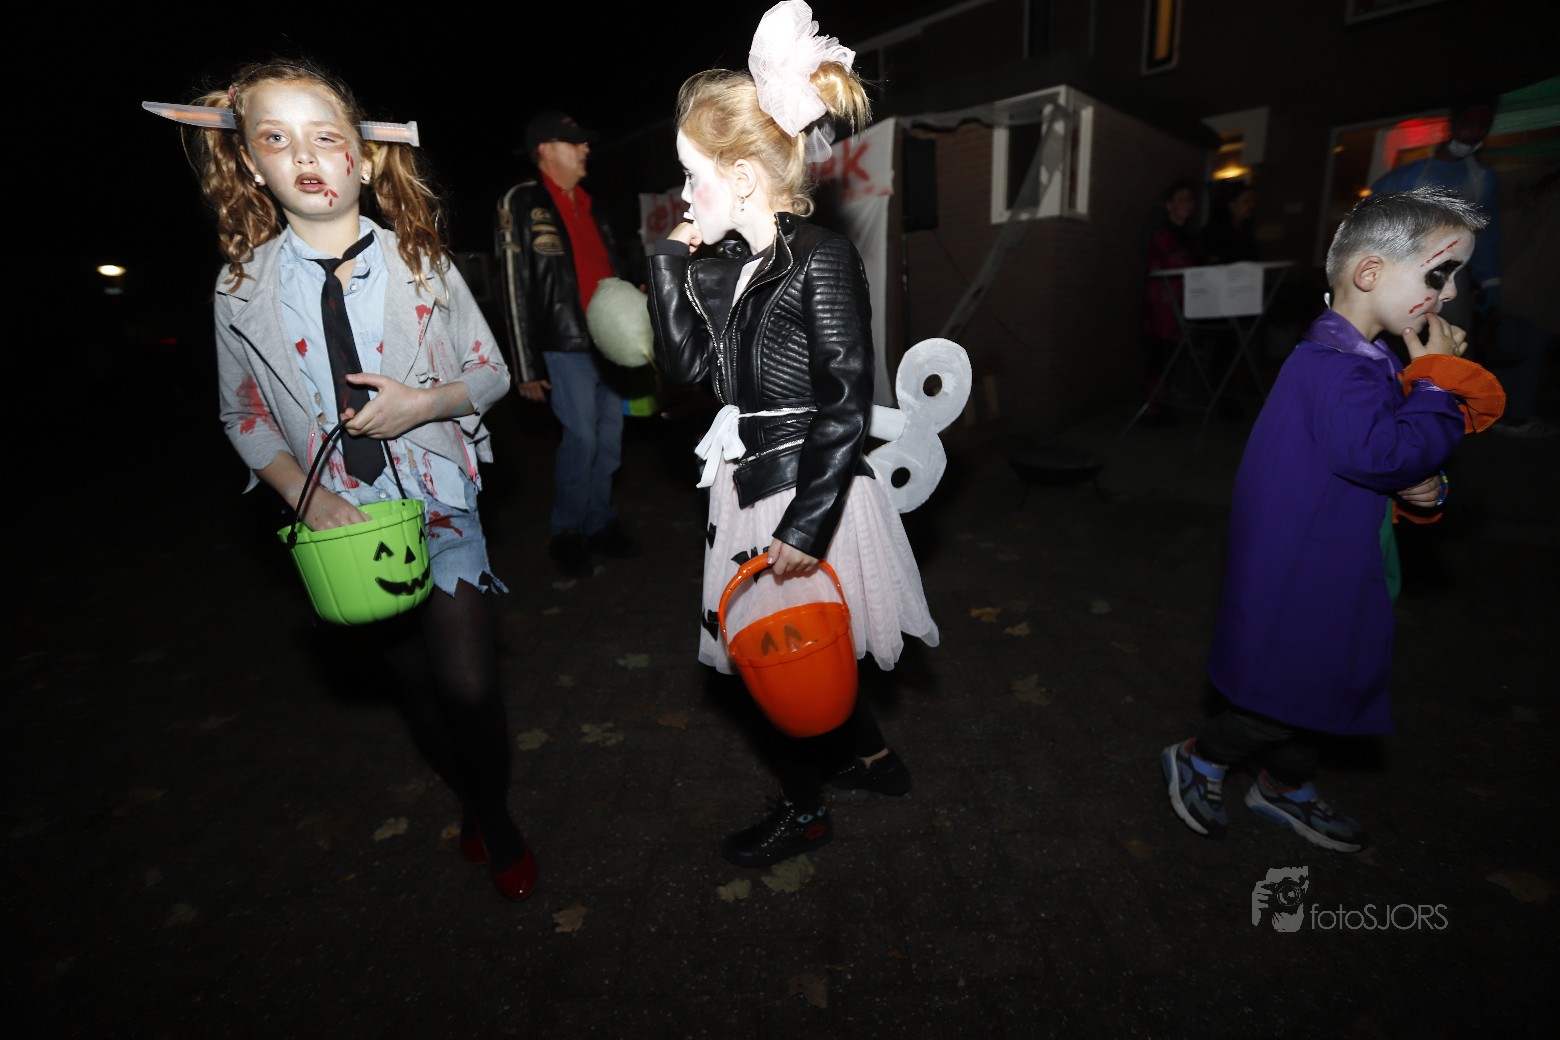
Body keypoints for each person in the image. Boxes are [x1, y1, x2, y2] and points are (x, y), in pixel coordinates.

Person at [159, 59, 537, 901]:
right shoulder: (240, 287)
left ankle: (495, 815)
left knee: (469, 686)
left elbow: (489, 374)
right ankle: (472, 800)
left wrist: (421, 404)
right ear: (250, 163)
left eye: (325, 137)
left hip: (440, 502)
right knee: (415, 690)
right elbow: (242, 416)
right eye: (276, 138)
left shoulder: (423, 261)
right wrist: (310, 496)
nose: (305, 156)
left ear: (361, 158)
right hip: (345, 526)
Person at [645, 0, 939, 869]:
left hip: (807, 494)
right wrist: (666, 263)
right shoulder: (719, 270)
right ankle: (875, 761)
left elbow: (847, 401)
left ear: (741, 176)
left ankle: (805, 810)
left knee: (772, 665)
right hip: (747, 486)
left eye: (692, 176)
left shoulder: (821, 257)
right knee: (801, 650)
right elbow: (686, 369)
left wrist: (807, 528)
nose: (684, 195)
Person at [1160, 186, 1505, 853]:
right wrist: (1439, 381)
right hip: (1305, 572)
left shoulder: (1363, 360)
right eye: (1439, 274)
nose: (1451, 293)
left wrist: (1421, 486)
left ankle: (1284, 785)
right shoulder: (1339, 369)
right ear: (1370, 272)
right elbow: (1383, 453)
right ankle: (1202, 757)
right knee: (1285, 696)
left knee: (1330, 687)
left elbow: (1380, 457)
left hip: (1342, 559)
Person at [496, 111, 640, 576]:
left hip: (610, 342)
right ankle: (567, 531)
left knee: (610, 440)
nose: (585, 149)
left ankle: (600, 523)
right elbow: (513, 284)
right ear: (545, 149)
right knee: (581, 439)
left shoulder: (593, 204)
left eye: (584, 141)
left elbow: (612, 267)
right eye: (573, 142)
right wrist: (524, 365)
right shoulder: (522, 201)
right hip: (564, 341)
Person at [1139, 177, 1204, 423]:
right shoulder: (1163, 233)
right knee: (1161, 354)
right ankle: (1154, 407)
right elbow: (1177, 263)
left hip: (1183, 302)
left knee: (1172, 354)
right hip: (1164, 305)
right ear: (1169, 205)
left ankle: (1163, 404)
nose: (1187, 204)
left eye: (1189, 199)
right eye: (1181, 199)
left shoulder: (1187, 235)